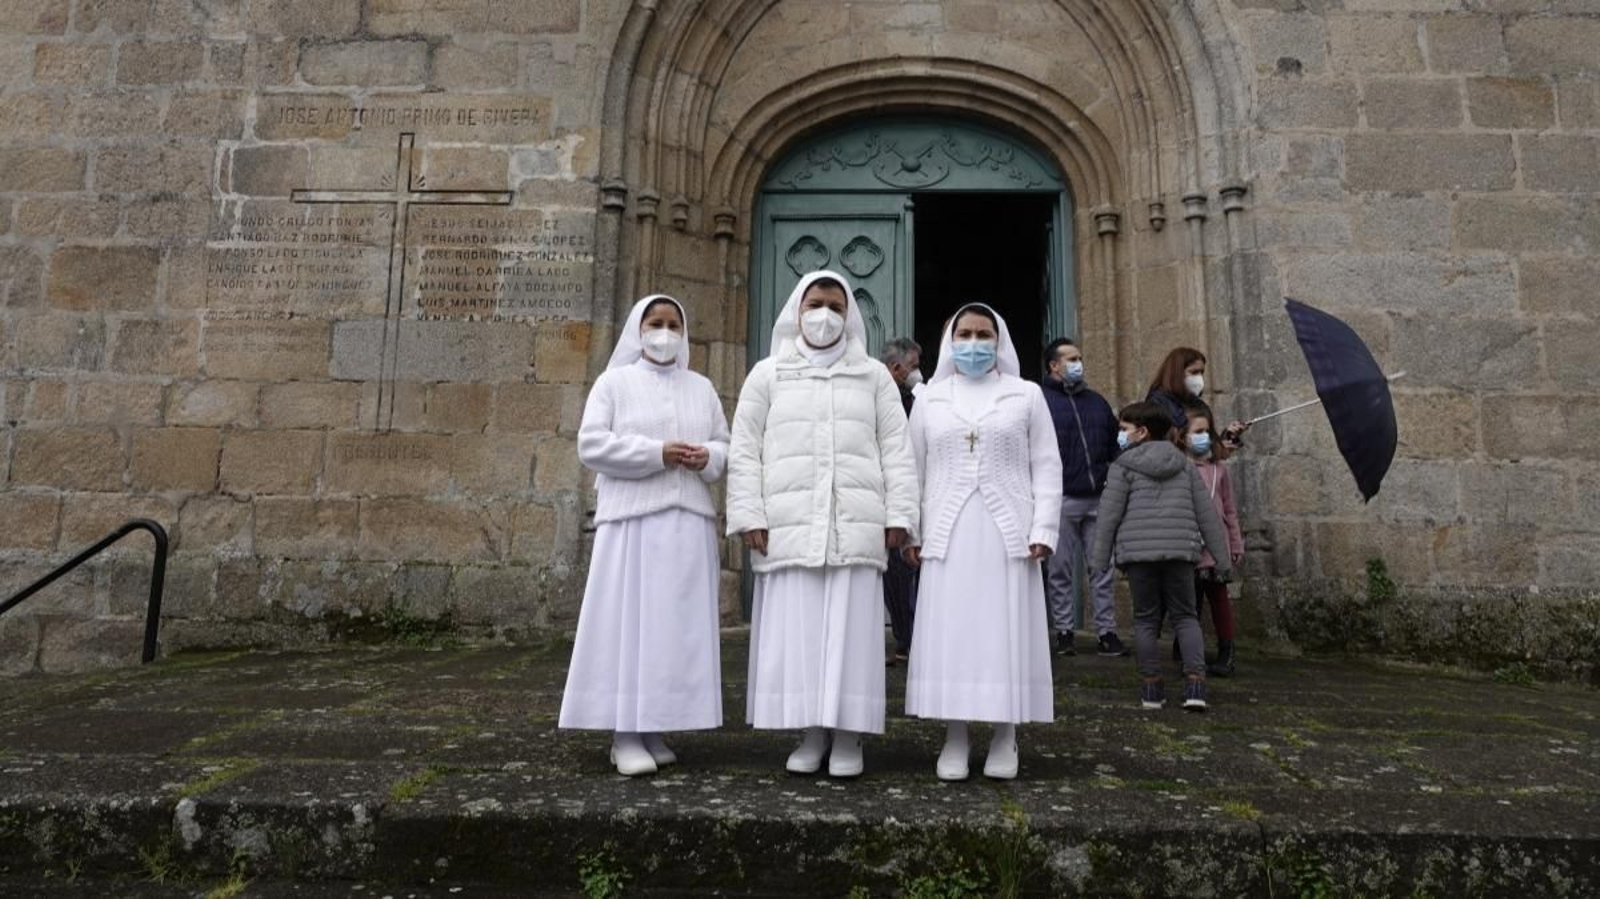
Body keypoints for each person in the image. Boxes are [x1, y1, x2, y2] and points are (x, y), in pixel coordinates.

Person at [727, 270, 919, 779]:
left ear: (849, 315)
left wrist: (900, 513)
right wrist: (749, 513)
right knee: (802, 633)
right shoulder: (768, 374)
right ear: (797, 310)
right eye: (816, 304)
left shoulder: (873, 376)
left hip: (856, 524)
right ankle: (811, 731)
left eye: (836, 306)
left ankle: (849, 733)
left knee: (852, 635)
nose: (825, 315)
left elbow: (896, 449)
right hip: (789, 524)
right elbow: (745, 449)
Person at [559, 295, 730, 776]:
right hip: (633, 523)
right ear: (638, 329)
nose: (665, 332)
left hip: (688, 520)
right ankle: (625, 733)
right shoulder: (614, 383)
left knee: (673, 630)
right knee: (630, 625)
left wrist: (708, 457)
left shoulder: (701, 387)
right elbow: (592, 444)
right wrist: (657, 453)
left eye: (674, 324)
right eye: (656, 323)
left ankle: (656, 724)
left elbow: (724, 444)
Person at [903, 303, 1061, 781]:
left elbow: (1046, 464)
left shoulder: (1025, 394)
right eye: (965, 334)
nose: (974, 343)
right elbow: (913, 468)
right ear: (950, 341)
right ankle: (955, 734)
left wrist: (1044, 527)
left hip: (1007, 535)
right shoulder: (931, 399)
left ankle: (1004, 732)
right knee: (953, 634)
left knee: (1002, 632)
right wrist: (910, 529)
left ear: (999, 339)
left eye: (983, 334)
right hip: (948, 534)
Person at [1090, 401, 1232, 713]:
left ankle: (1151, 688)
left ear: (1141, 432)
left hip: (1138, 555)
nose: (1120, 434)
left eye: (1124, 429)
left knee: (1145, 619)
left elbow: (1109, 516)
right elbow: (1207, 515)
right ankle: (1195, 685)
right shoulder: (1184, 465)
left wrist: (1099, 561)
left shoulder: (1122, 467)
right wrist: (1222, 560)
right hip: (1180, 552)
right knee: (1186, 617)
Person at [1039, 338, 1126, 659]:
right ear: (1054, 365)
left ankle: (1106, 632)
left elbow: (1114, 443)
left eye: (1079, 358)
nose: (1079, 364)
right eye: (1072, 359)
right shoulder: (1040, 402)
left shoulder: (1096, 402)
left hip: (1097, 497)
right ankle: (1064, 631)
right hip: (1060, 498)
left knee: (1102, 567)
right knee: (1059, 568)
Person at [1183, 402, 1244, 677]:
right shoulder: (1181, 467)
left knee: (1219, 598)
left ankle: (1226, 651)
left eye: (1207, 432)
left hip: (1215, 546)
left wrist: (1235, 543)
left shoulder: (1219, 470)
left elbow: (1229, 510)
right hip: (1189, 544)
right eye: (1197, 432)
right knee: (1190, 600)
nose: (1203, 437)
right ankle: (1187, 649)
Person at [880, 337, 924, 666]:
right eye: (915, 367)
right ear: (897, 369)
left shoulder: (917, 400)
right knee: (894, 574)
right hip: (883, 493)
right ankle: (906, 638)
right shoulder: (880, 396)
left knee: (909, 568)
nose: (919, 373)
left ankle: (913, 637)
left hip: (913, 491)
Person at [1145, 347, 1249, 447]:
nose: (1199, 378)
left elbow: (1205, 445)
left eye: (1201, 372)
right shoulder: (1157, 404)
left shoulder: (1198, 404)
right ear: (1176, 373)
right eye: (1194, 372)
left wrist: (1228, 435)